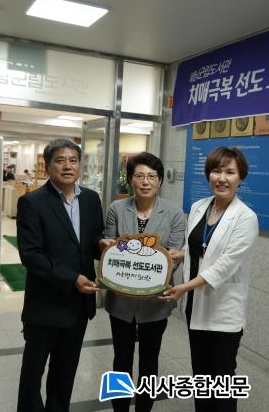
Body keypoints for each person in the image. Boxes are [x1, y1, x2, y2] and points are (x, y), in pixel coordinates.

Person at [161, 147, 259, 412]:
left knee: (221, 380)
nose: (222, 178)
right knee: (202, 378)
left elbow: (224, 266)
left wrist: (183, 287)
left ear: (241, 177)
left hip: (223, 312)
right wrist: (179, 254)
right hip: (195, 306)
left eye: (230, 172)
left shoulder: (246, 218)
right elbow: (198, 247)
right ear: (208, 174)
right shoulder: (199, 207)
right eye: (216, 171)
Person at [16, 138, 105, 412]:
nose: (68, 166)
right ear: (47, 165)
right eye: (60, 160)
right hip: (44, 306)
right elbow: (31, 255)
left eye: (73, 160)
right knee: (32, 378)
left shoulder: (91, 199)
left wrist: (103, 245)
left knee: (64, 376)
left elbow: (93, 240)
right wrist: (72, 278)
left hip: (78, 308)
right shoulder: (32, 202)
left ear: (80, 165)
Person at [102, 152, 186, 412]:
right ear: (130, 179)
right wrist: (105, 247)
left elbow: (175, 255)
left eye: (151, 176)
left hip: (155, 301)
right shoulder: (117, 209)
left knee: (150, 361)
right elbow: (109, 248)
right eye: (139, 176)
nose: (145, 181)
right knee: (121, 359)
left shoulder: (174, 213)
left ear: (160, 180)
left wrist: (170, 261)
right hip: (121, 299)